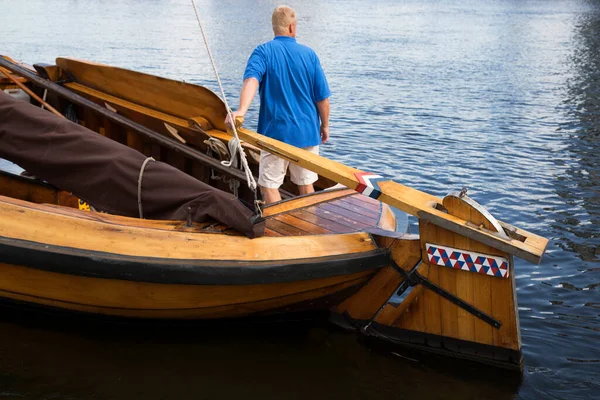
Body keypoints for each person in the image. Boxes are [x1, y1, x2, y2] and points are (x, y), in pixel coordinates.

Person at [225, 5, 330, 204]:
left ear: (275, 27)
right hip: (307, 133)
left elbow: (251, 81)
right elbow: (322, 99)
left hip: (276, 133)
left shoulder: (263, 52)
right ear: (292, 27)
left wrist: (241, 110)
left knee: (269, 186)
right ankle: (311, 229)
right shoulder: (310, 55)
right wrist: (324, 126)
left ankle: (277, 229)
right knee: (306, 184)